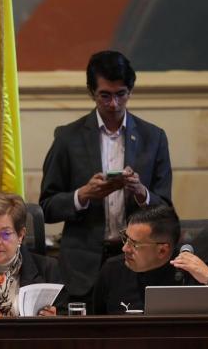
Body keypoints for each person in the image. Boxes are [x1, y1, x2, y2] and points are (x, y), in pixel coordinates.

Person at [39, 50, 172, 309]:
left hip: (137, 264)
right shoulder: (68, 138)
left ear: (130, 91)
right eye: (105, 96)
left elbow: (166, 209)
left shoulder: (153, 137)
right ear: (91, 92)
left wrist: (141, 192)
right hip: (81, 269)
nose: (113, 104)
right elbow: (46, 208)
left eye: (121, 94)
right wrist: (83, 195)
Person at [93, 205, 208, 314]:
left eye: (134, 244)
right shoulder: (112, 270)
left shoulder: (189, 271)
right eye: (125, 238)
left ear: (162, 250)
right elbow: (97, 326)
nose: (125, 249)